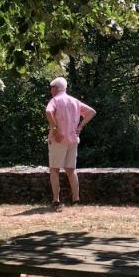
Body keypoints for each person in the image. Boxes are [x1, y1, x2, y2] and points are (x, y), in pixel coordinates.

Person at [45, 76, 96, 208]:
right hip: (73, 139)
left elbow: (48, 111)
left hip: (58, 139)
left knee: (54, 169)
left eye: (51, 88)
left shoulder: (55, 100)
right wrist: (80, 126)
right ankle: (76, 199)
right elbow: (91, 112)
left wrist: (55, 128)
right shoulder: (75, 101)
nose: (51, 90)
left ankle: (56, 200)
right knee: (71, 170)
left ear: (55, 88)